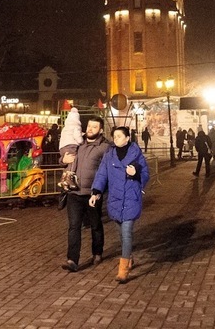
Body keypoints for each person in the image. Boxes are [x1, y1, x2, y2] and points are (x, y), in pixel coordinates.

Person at [90, 126, 149, 283]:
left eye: (119, 136)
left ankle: (123, 270)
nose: (115, 139)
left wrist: (135, 174)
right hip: (115, 199)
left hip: (131, 198)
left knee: (127, 231)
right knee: (121, 234)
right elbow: (102, 174)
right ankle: (128, 257)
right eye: (114, 136)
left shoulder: (136, 154)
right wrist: (96, 192)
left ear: (127, 138)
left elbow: (145, 174)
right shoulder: (109, 155)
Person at [62, 116, 110, 272]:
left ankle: (97, 251)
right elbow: (64, 155)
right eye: (89, 126)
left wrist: (100, 191)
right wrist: (63, 159)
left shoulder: (105, 147)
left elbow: (108, 170)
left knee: (95, 225)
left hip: (92, 194)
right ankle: (72, 259)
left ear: (101, 130)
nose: (90, 129)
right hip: (74, 192)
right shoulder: (78, 143)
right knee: (74, 226)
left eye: (94, 127)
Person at [57, 107, 83, 190]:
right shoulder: (76, 126)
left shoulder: (65, 127)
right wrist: (81, 141)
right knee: (73, 160)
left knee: (69, 161)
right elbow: (77, 136)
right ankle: (69, 177)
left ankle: (63, 179)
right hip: (71, 145)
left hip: (62, 147)